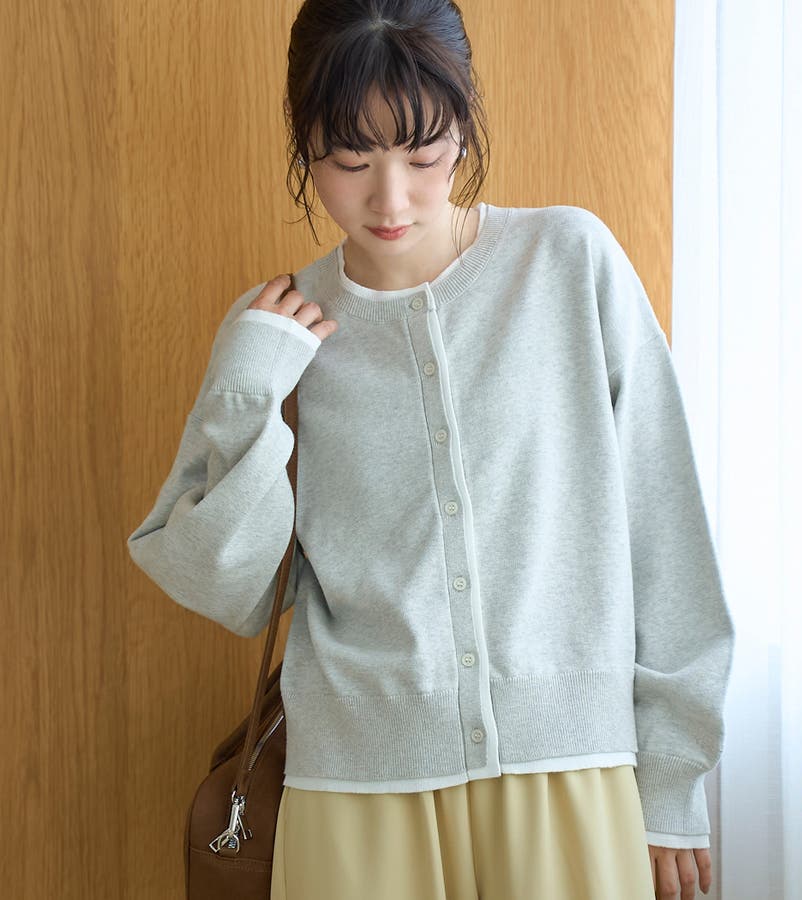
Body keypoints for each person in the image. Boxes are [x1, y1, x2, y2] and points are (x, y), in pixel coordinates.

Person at [126, 1, 735, 898]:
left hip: (570, 778)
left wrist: (673, 776)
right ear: (303, 142)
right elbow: (232, 590)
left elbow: (665, 523)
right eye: (350, 159)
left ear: (464, 123)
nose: (391, 198)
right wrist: (247, 393)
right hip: (357, 798)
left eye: (422, 153)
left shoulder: (568, 262)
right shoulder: (276, 332)